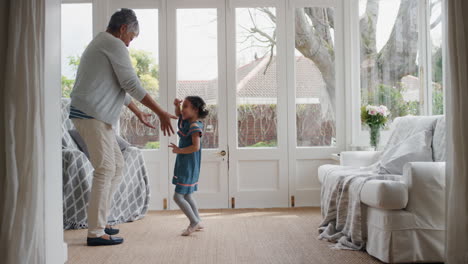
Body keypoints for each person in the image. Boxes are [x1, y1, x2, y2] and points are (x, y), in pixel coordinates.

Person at [69, 8, 177, 246]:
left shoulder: (102, 43)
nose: (129, 44)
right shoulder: (113, 44)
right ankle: (95, 233)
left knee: (117, 166)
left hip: (95, 115)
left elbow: (118, 85)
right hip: (90, 114)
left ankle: (101, 222)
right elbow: (130, 83)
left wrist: (138, 112)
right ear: (123, 29)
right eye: (131, 38)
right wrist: (160, 113)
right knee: (106, 168)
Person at [169, 96, 209, 236]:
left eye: (186, 106)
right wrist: (177, 106)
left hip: (188, 165)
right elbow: (178, 115)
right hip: (186, 163)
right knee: (187, 195)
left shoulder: (194, 126)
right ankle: (198, 220)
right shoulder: (188, 121)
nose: (182, 110)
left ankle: (194, 222)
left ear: (195, 110)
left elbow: (195, 147)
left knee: (178, 197)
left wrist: (179, 150)